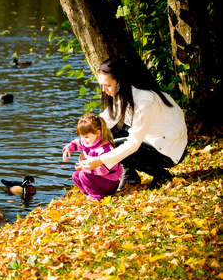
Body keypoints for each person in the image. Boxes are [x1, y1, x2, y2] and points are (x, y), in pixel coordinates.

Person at [77, 57, 188, 190]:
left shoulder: (145, 101)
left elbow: (133, 144)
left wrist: (100, 159)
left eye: (108, 85)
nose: (103, 90)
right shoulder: (126, 94)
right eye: (102, 85)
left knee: (115, 147)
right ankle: (130, 175)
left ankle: (162, 175)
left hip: (169, 150)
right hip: (155, 140)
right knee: (110, 126)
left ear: (120, 82)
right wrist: (83, 144)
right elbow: (102, 122)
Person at [63, 113, 122, 201]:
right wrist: (68, 148)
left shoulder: (105, 149)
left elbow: (104, 170)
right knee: (75, 175)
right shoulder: (87, 141)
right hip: (98, 178)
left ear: (98, 132)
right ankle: (90, 193)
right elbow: (77, 143)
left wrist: (84, 167)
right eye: (81, 136)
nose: (83, 139)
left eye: (86, 137)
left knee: (83, 174)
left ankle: (97, 196)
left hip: (109, 181)